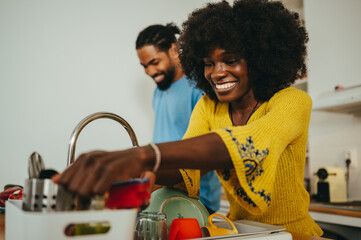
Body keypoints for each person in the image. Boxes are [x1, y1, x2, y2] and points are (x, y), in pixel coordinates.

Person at [57, 0, 323, 236]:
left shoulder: (292, 101)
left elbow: (248, 143)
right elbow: (187, 169)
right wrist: (133, 176)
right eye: (209, 63)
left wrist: (141, 155)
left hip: (294, 233)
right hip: (239, 231)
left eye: (230, 60)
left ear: (260, 58)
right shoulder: (209, 106)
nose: (217, 73)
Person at [135, 23, 221, 214]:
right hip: (163, 195)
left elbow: (210, 153)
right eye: (144, 66)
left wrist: (154, 181)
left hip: (195, 202)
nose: (149, 72)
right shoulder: (159, 93)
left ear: (174, 50)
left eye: (155, 62)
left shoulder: (199, 88)